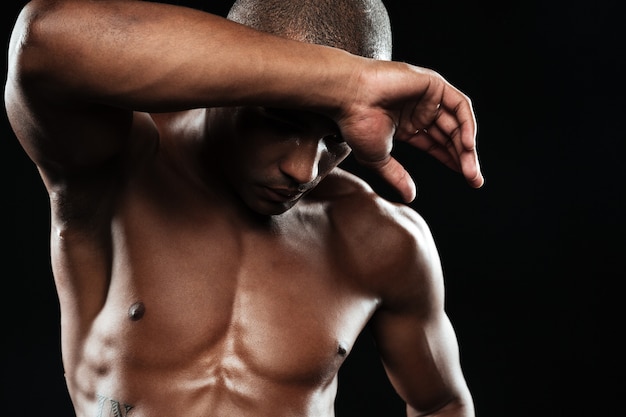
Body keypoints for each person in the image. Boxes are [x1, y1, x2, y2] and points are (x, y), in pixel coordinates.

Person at [4, 0, 483, 416]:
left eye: (336, 138)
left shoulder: (381, 238)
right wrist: (347, 84)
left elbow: (440, 403)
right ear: (231, 75)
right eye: (281, 118)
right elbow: (42, 40)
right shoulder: (117, 172)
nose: (304, 168)